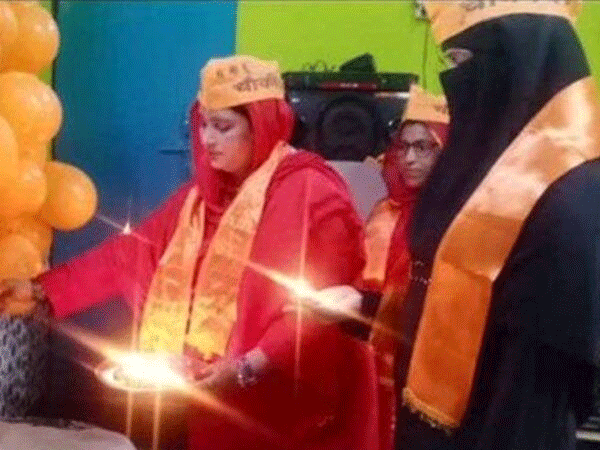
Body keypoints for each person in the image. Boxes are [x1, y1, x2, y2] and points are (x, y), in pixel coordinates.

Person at [0, 55, 378, 450]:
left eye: (223, 127)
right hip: (208, 400)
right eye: (203, 124)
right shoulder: (199, 199)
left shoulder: (311, 192)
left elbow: (321, 311)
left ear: (263, 126)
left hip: (282, 404)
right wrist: (42, 291)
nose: (207, 139)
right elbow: (127, 255)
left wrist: (247, 368)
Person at [317, 1, 600, 449]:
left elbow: (529, 403)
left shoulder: (568, 201)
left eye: (462, 61)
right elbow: (448, 305)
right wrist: (365, 310)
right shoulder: (484, 167)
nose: (455, 82)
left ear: (519, 64)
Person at [361, 84, 449, 450]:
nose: (409, 159)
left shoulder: (455, 218)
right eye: (404, 146)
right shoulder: (384, 212)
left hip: (430, 361)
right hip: (375, 355)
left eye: (424, 147)